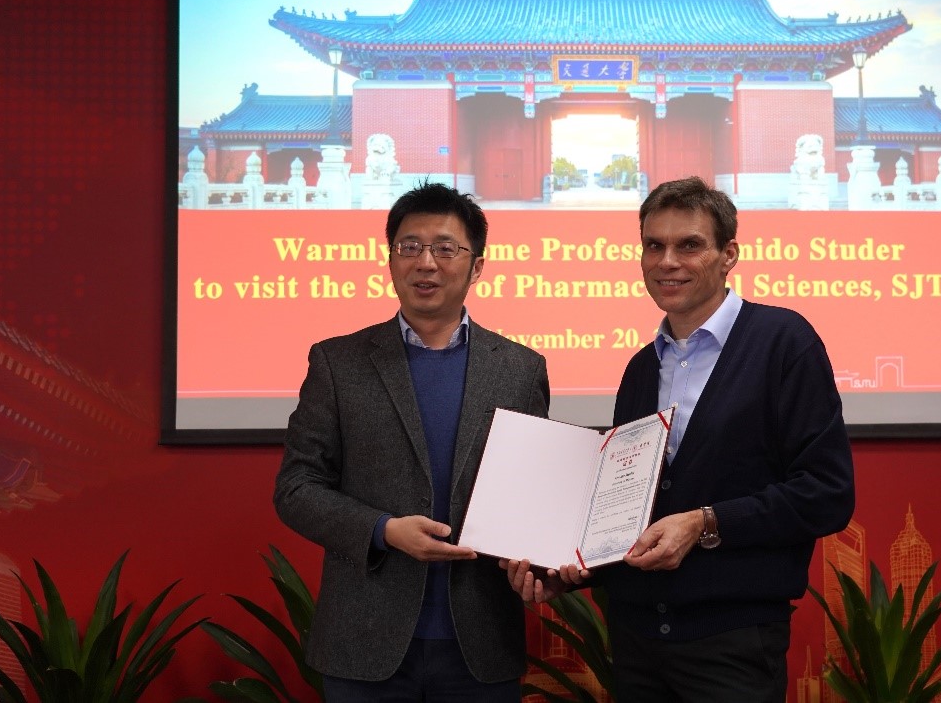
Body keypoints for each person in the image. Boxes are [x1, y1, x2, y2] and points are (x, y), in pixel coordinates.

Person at [504, 176, 854, 702]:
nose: (668, 261)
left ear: (728, 254)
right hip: (637, 641)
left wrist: (705, 523)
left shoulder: (784, 342)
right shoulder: (640, 369)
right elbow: (629, 515)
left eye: (689, 245)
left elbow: (827, 494)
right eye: (654, 245)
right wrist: (570, 572)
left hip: (732, 642)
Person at [275, 182, 550, 702]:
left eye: (445, 248)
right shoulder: (338, 362)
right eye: (410, 246)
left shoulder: (520, 369)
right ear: (390, 259)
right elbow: (296, 488)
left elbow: (532, 495)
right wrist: (384, 530)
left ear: (477, 266)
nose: (426, 262)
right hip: (364, 642)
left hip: (481, 641)